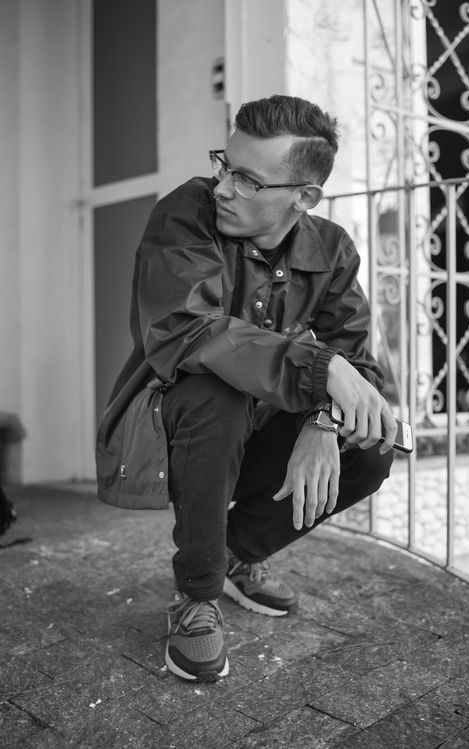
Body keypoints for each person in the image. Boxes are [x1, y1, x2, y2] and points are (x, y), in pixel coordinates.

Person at [96, 94, 397, 683]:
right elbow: (186, 330)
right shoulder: (185, 213)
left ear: (304, 197)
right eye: (224, 166)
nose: (224, 188)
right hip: (171, 431)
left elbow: (359, 367)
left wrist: (322, 422)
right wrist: (321, 370)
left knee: (371, 443)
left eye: (248, 181)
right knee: (220, 390)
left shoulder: (331, 248)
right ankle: (197, 593)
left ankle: (237, 554)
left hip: (256, 432)